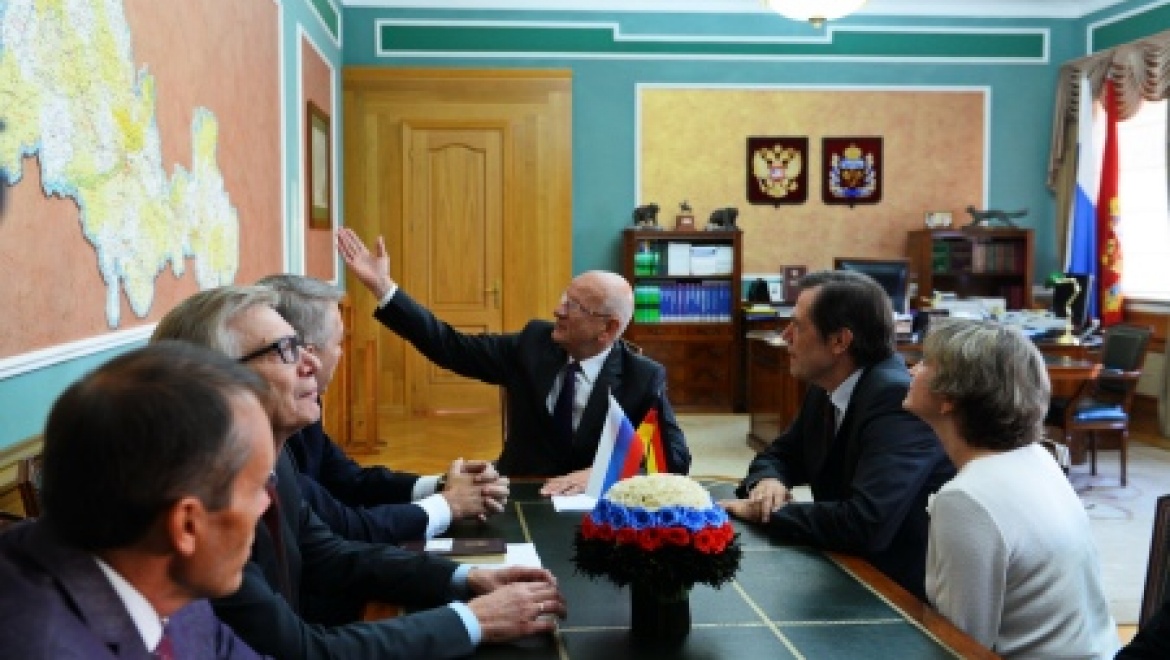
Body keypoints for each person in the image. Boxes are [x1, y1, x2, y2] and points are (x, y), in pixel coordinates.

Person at [152, 285, 565, 659]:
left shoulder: (275, 463)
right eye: (285, 350)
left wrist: (466, 578)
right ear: (218, 382)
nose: (312, 362)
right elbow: (302, 651)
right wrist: (474, 621)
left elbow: (332, 555)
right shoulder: (204, 510)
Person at [336, 227, 691, 495]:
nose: (558, 310)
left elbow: (673, 460)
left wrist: (606, 474)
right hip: (517, 489)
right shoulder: (532, 344)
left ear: (608, 328)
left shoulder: (642, 377)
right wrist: (384, 288)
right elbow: (450, 346)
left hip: (591, 504)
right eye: (564, 298)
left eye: (574, 306)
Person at [0, 341, 274, 658]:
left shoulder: (168, 579)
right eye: (257, 488)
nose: (266, 503)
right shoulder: (38, 645)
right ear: (187, 525)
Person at [720, 269, 954, 600]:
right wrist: (768, 482)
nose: (785, 335)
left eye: (798, 326)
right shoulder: (827, 385)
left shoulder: (895, 400)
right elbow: (781, 455)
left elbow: (866, 523)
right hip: (844, 564)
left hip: (894, 591)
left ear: (840, 342)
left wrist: (767, 512)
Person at [904, 319, 1118, 657]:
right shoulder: (1037, 457)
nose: (912, 370)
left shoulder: (966, 499)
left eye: (926, 363)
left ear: (949, 397)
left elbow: (959, 643)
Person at [256, 273, 510, 544]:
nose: (341, 353)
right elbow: (344, 527)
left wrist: (441, 485)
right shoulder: (264, 432)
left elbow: (349, 481)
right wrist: (448, 505)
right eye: (339, 343)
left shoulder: (304, 403)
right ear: (308, 355)